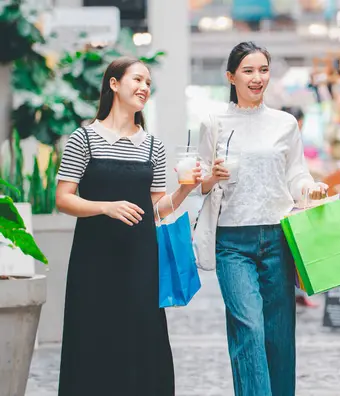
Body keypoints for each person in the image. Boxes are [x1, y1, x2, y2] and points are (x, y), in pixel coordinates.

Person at [55, 56, 202, 396]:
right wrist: (105, 206)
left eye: (148, 83)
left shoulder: (153, 145)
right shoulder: (84, 138)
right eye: (137, 80)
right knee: (92, 337)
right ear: (114, 84)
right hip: (93, 259)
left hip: (141, 259)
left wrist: (185, 188)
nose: (144, 88)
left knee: (142, 339)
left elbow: (158, 208)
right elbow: (63, 199)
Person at [197, 42, 327, 396]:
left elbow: (296, 175)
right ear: (231, 76)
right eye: (248, 71)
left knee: (279, 334)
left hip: (278, 238)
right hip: (232, 242)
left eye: (263, 70)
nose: (257, 78)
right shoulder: (213, 123)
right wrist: (212, 176)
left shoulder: (285, 123)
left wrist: (311, 189)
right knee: (249, 328)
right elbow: (200, 185)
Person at [281, 105, 319, 308]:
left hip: (294, 202)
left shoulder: (291, 138)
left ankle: (298, 294)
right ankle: (297, 294)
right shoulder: (285, 137)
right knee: (293, 252)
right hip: (288, 207)